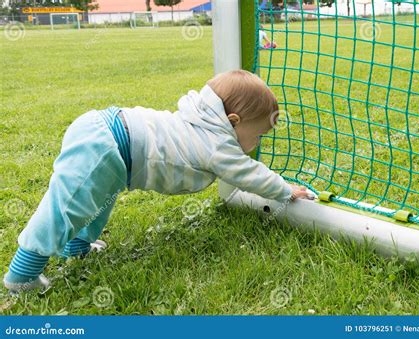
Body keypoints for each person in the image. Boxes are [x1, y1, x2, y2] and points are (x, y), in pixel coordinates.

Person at [3, 70, 312, 292]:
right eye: (257, 135)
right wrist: (285, 190)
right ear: (234, 122)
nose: (256, 143)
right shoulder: (218, 144)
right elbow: (248, 173)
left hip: (113, 143)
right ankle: (22, 274)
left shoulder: (202, 124)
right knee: (67, 205)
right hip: (106, 143)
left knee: (98, 199)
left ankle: (77, 246)